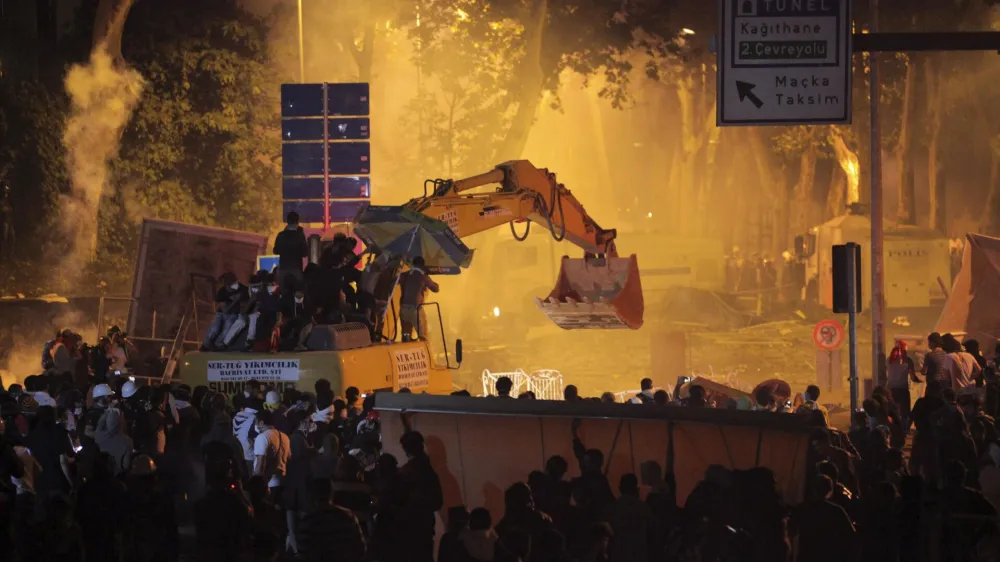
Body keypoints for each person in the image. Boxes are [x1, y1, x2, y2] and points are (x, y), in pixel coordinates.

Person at [396, 430, 444, 562]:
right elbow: (437, 501)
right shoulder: (428, 469)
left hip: (412, 525)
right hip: (425, 524)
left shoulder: (406, 472)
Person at [789, 475, 857, 562]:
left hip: (807, 556)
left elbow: (791, 532)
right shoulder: (836, 511)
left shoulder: (802, 509)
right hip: (829, 557)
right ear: (829, 490)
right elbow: (851, 536)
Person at [609, 473, 653, 562]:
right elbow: (653, 537)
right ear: (636, 489)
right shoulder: (644, 509)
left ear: (620, 489)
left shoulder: (613, 509)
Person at [202, 272, 249, 351]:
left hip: (235, 314)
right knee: (214, 328)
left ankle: (218, 345)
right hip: (222, 314)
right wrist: (235, 300)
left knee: (228, 326)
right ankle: (206, 346)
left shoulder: (244, 290)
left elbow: (245, 306)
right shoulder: (222, 292)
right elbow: (225, 310)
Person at [399, 256, 439, 341]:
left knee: (406, 334)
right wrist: (433, 283)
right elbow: (435, 289)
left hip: (404, 309)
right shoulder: (423, 276)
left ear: (413, 264)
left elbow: (396, 281)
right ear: (422, 265)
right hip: (415, 310)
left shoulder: (404, 275)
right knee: (423, 335)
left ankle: (406, 343)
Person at [253, 409, 291, 502]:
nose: (255, 425)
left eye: (256, 422)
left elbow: (260, 465)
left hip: (268, 485)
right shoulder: (284, 436)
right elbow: (289, 458)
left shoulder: (262, 437)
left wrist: (256, 485)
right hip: (282, 482)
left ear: (261, 423)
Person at [274, 211, 309, 289]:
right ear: (297, 222)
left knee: (283, 292)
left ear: (287, 221)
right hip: (296, 270)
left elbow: (275, 251)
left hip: (283, 269)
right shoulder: (299, 235)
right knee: (298, 292)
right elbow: (305, 253)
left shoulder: (281, 235)